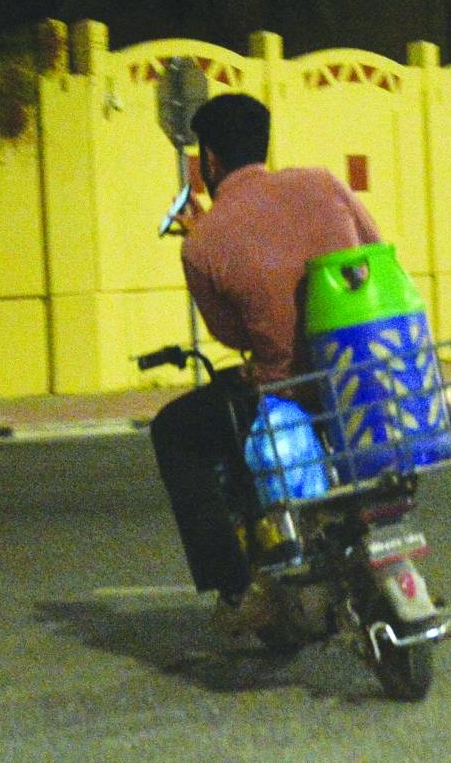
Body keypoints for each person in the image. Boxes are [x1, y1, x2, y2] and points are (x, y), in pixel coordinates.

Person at [149, 93, 381, 634]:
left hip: (286, 389)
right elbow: (374, 251)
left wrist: (201, 237)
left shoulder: (204, 240)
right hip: (359, 375)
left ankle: (235, 589)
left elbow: (230, 335)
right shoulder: (324, 184)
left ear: (209, 162)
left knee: (175, 433)